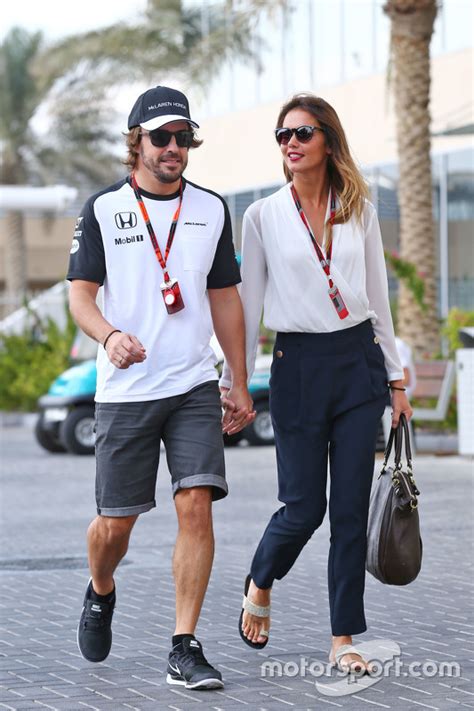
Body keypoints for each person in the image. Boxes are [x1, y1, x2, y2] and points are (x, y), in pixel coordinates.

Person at [67, 85, 255, 690]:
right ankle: (100, 589)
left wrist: (239, 379)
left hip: (192, 384)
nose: (174, 148)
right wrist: (109, 335)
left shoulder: (210, 209)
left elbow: (224, 297)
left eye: (183, 137)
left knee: (196, 504)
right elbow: (80, 295)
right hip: (125, 389)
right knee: (114, 527)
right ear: (137, 143)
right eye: (161, 137)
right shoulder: (103, 209)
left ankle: (184, 644)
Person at [220, 93, 413, 674]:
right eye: (282, 136)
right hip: (297, 365)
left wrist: (396, 381)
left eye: (302, 133)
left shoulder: (360, 211)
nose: (291, 144)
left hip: (357, 363)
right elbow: (249, 307)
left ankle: (343, 637)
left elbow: (378, 301)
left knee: (350, 510)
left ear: (328, 140)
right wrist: (236, 382)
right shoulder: (262, 216)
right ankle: (261, 576)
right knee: (304, 507)